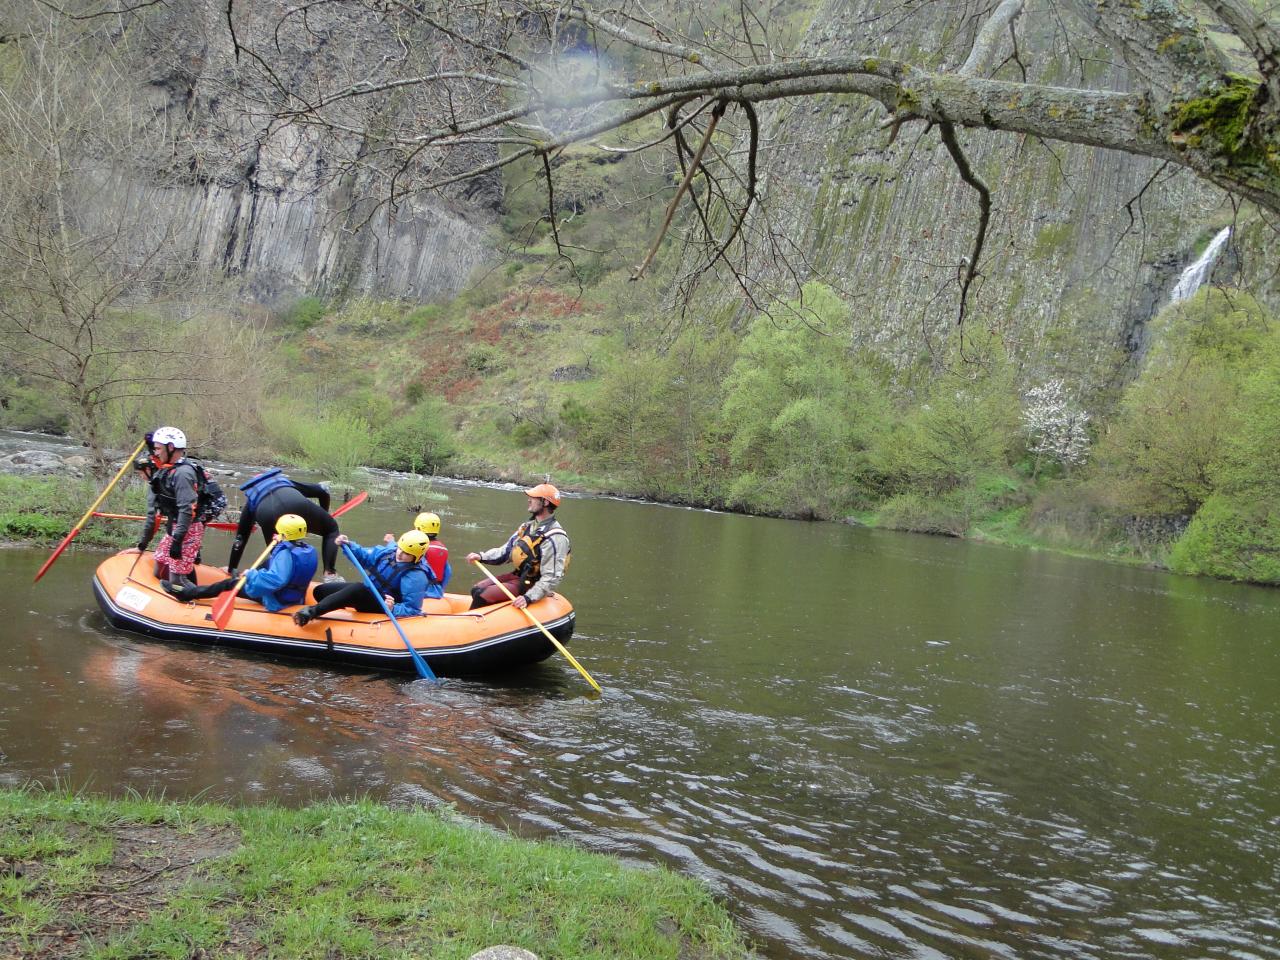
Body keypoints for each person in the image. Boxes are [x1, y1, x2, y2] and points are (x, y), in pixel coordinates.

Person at [172, 514, 319, 612]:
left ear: (283, 532)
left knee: (230, 584)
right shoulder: (307, 551)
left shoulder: (285, 553)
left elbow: (275, 580)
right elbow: (285, 570)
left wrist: (253, 575)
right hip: (294, 598)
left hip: (276, 600)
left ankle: (186, 594)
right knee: (245, 577)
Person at [124, 427, 207, 592]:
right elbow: (154, 464)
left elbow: (186, 509)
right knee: (160, 564)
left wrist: (177, 541)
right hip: (174, 529)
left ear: (171, 447)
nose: (156, 453)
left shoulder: (183, 474)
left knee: (177, 579)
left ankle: (197, 602)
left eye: (158, 449)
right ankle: (162, 596)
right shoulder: (168, 468)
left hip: (187, 531)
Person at [292, 530, 431, 627]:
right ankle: (340, 603)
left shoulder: (416, 576)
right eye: (400, 549)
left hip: (384, 604)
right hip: (369, 593)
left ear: (417, 557)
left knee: (357, 589)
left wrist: (393, 608)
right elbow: (364, 555)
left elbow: (412, 609)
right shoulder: (388, 552)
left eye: (407, 553)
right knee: (320, 591)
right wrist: (348, 545)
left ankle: (310, 613)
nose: (400, 554)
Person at [466, 483, 570, 610]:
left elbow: (551, 577)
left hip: (533, 585)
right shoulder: (527, 527)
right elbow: (505, 552)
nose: (529, 500)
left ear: (545, 502)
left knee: (482, 595)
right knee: (476, 589)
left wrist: (528, 597)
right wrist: (482, 556)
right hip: (519, 577)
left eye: (533, 497)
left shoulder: (556, 537)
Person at [230, 468, 342, 581]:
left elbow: (240, 539)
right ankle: (329, 573)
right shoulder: (284, 482)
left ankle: (259, 579)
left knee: (279, 554)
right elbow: (323, 491)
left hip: (268, 516)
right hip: (297, 504)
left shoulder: (251, 501)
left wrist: (232, 568)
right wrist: (324, 515)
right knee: (331, 530)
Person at [383, 511, 451, 598]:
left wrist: (390, 542)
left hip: (419, 592)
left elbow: (396, 552)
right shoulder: (443, 549)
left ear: (418, 529)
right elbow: (448, 572)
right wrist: (440, 591)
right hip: (436, 591)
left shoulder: (418, 547)